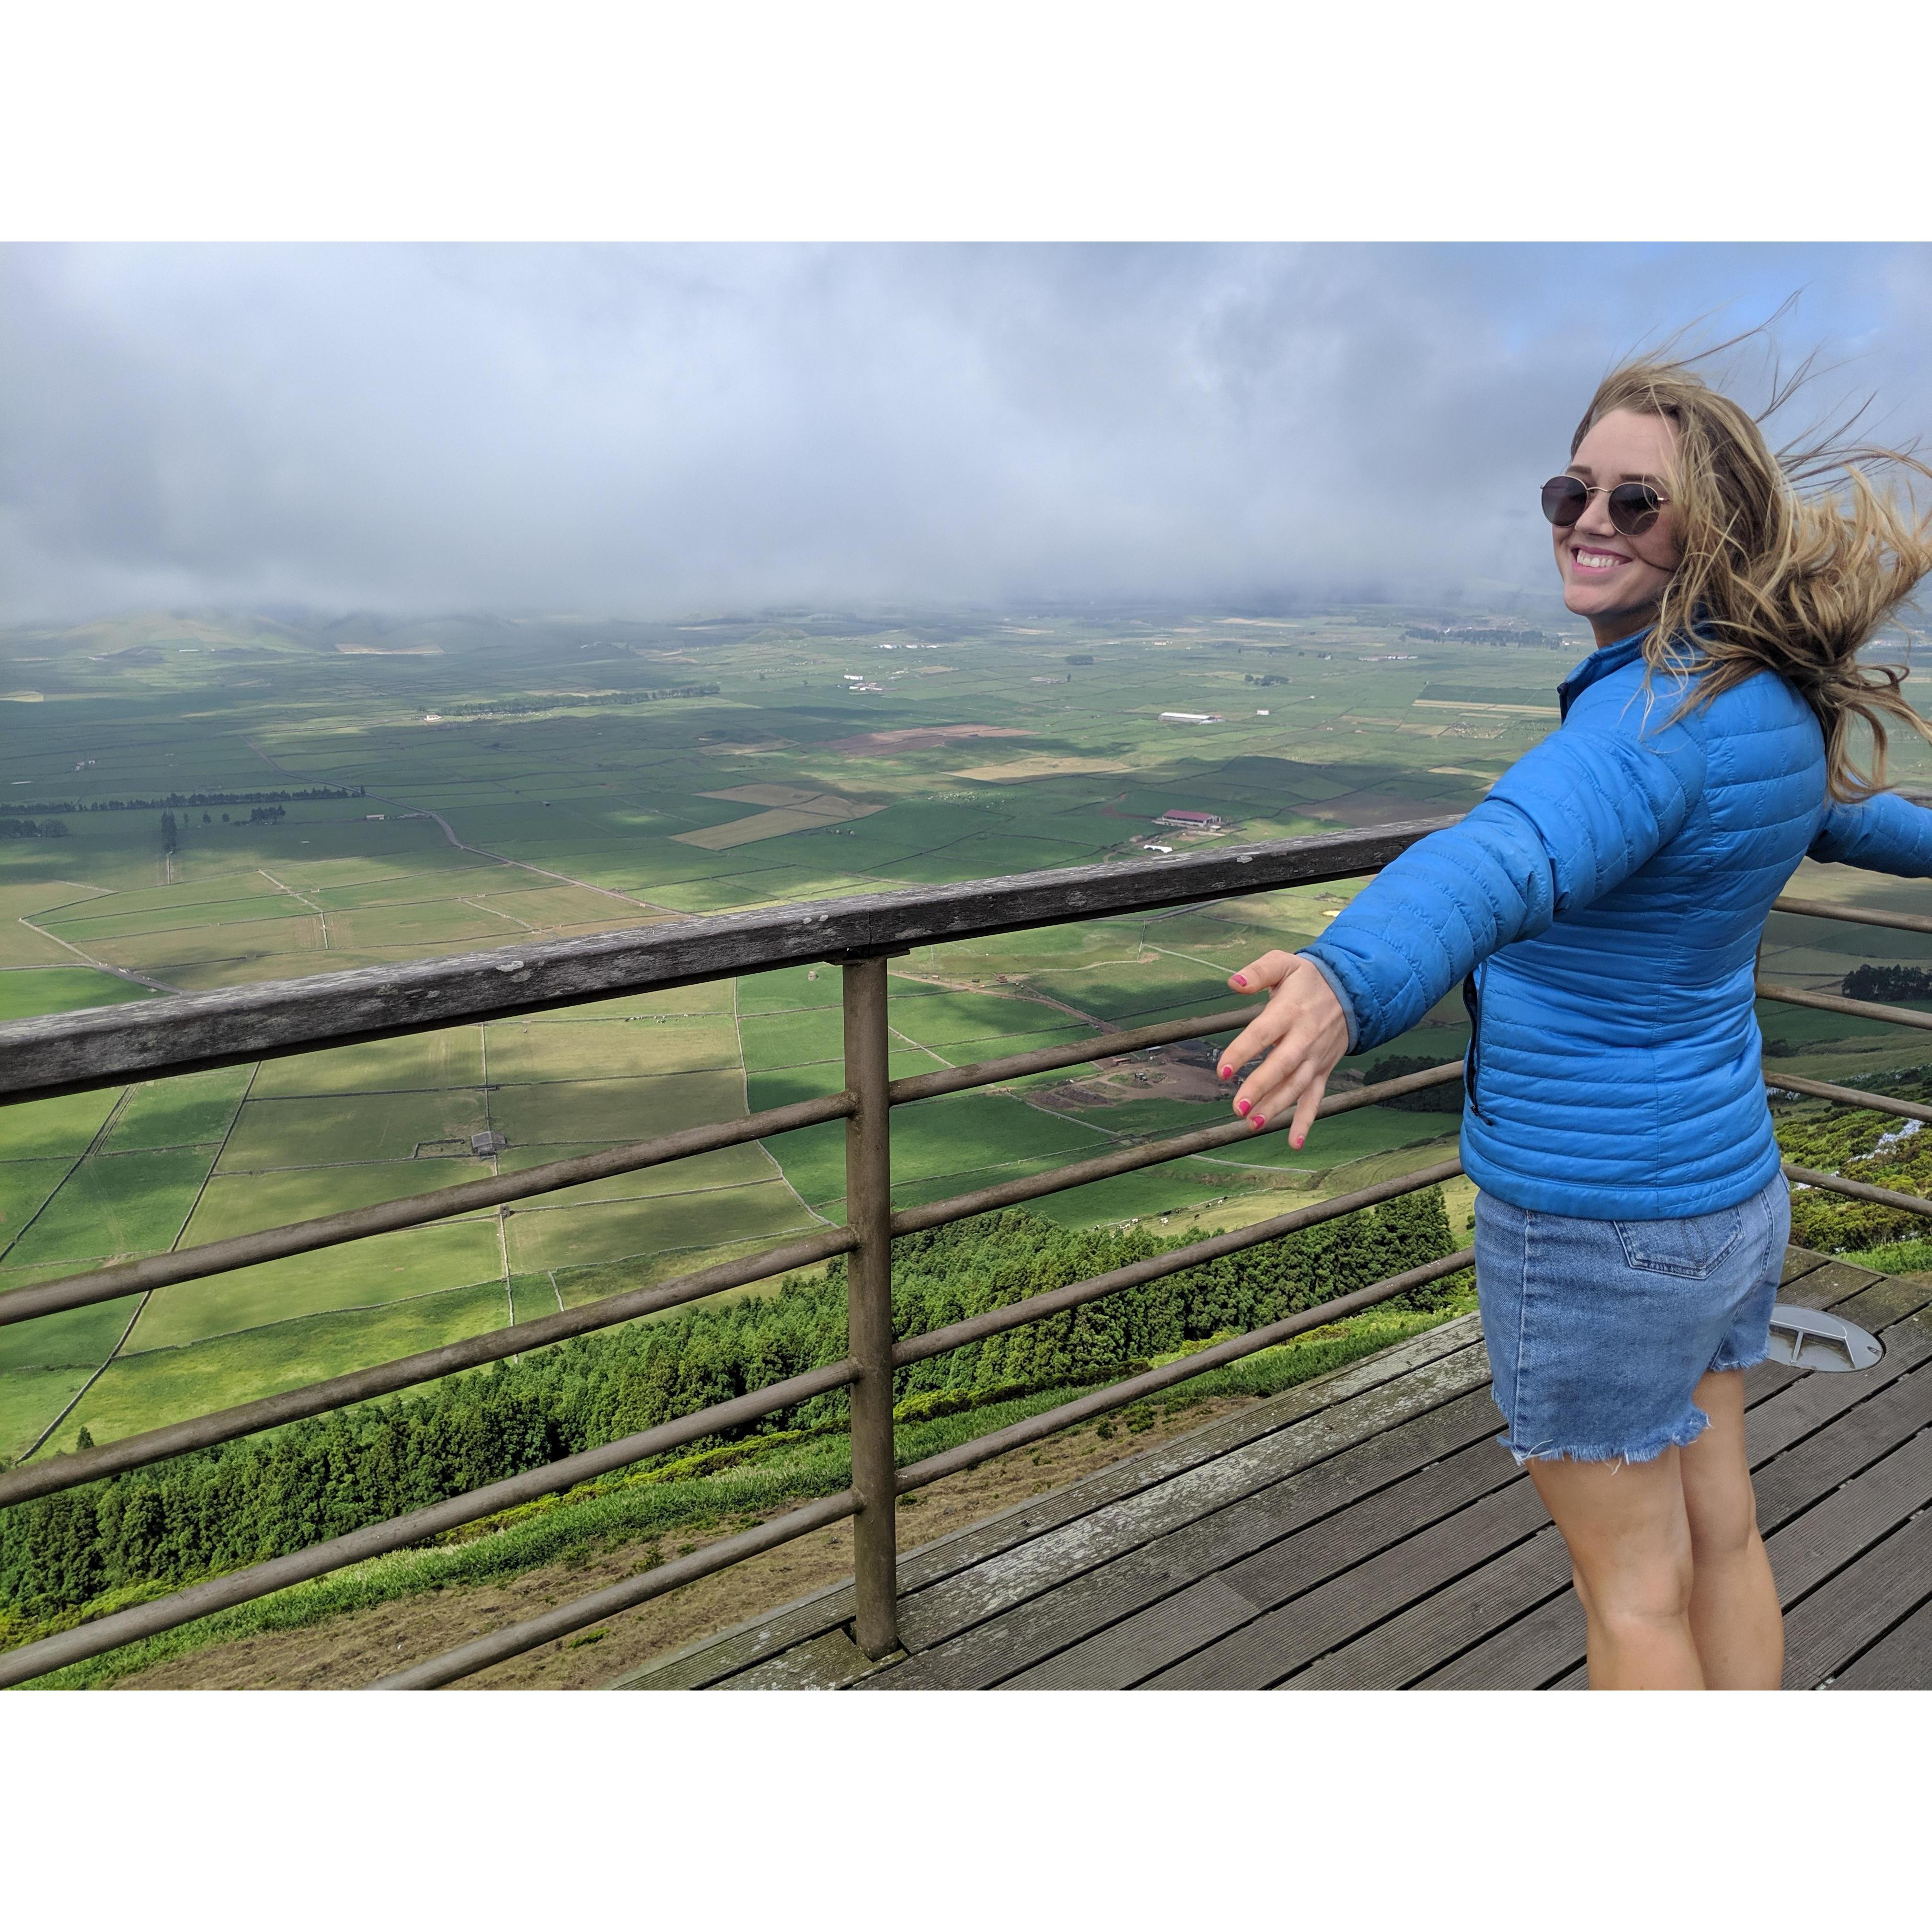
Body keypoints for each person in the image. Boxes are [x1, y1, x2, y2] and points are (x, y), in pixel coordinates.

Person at [1216, 355, 1932, 1689]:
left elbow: (1508, 854)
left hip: (1597, 1221)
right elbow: (1849, 815)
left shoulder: (1648, 721)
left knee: (1637, 1594)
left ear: (1706, 531)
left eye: (1636, 503)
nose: (1590, 519)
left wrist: (1347, 978)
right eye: (1571, 488)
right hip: (1727, 1198)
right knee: (1720, 1532)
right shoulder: (1758, 703)